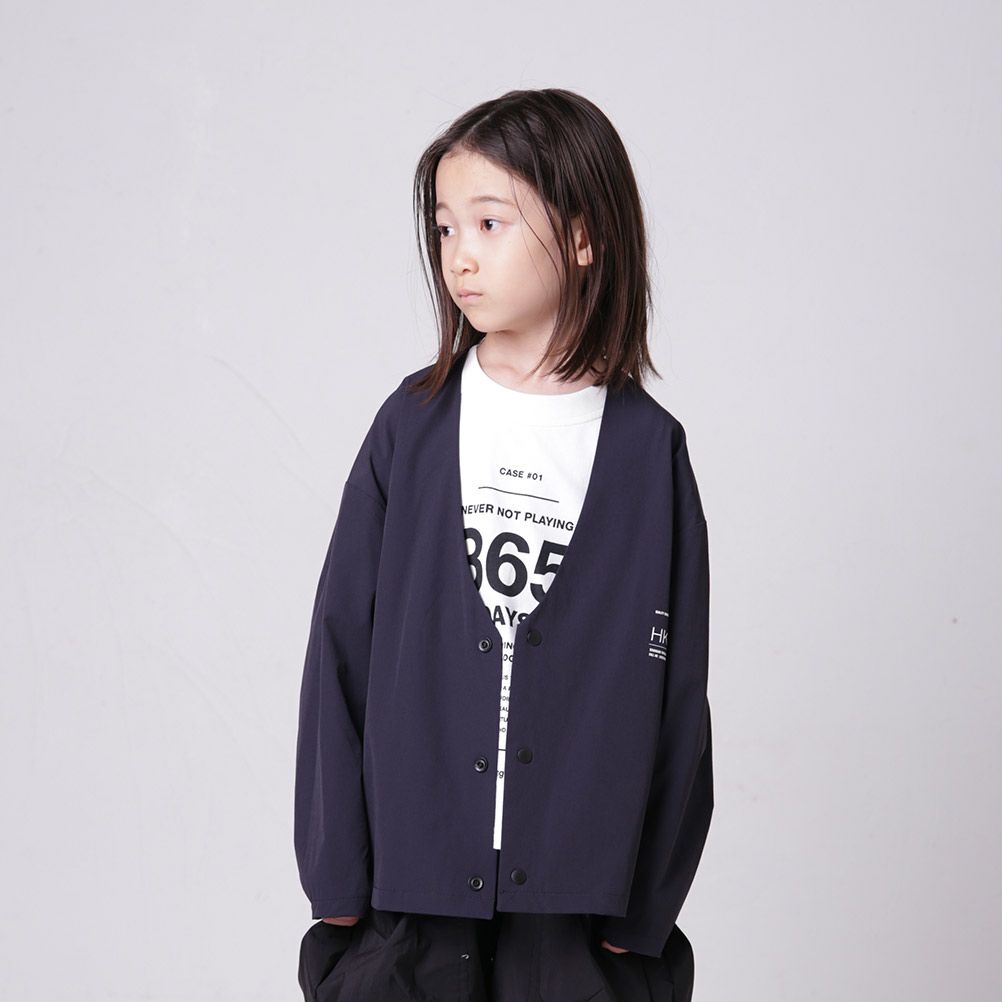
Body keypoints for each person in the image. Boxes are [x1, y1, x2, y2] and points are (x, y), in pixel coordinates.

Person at [295, 87, 713, 1002]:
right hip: (408, 901)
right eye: (445, 228)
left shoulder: (648, 453)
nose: (460, 255)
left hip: (578, 917)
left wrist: (644, 911)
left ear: (583, 237)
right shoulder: (412, 427)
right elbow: (340, 650)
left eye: (490, 222)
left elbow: (680, 697)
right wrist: (335, 878)